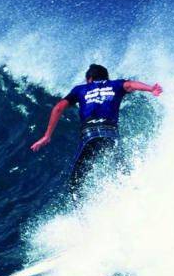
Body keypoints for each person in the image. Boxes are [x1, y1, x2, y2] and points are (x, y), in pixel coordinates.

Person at [30, 64, 163, 196]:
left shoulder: (80, 89)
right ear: (106, 77)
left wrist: (47, 136)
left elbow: (58, 108)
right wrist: (151, 89)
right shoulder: (115, 84)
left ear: (89, 79)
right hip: (110, 132)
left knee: (76, 180)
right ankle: (133, 193)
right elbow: (131, 85)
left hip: (89, 134)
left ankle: (78, 204)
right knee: (122, 170)